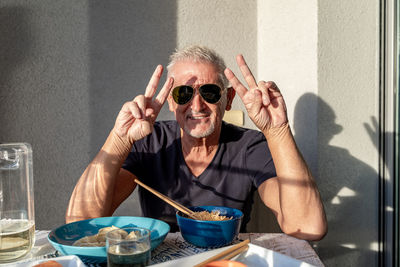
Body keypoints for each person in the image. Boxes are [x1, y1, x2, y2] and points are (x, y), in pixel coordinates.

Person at [66, 45, 327, 241]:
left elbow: (308, 226)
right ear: (170, 100)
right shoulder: (151, 141)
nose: (197, 105)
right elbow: (81, 220)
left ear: (228, 98)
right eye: (184, 93)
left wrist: (278, 130)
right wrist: (119, 138)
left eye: (210, 92)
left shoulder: (249, 146)